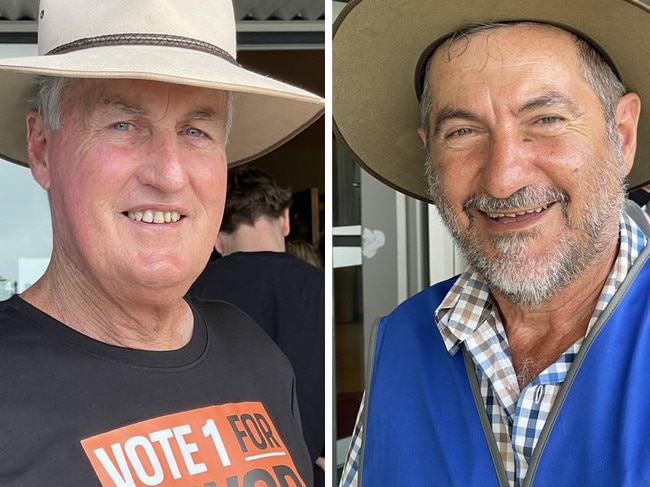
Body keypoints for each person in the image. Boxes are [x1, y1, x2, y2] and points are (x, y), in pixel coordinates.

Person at [0, 0, 323, 485]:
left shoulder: (254, 352)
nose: (169, 175)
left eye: (196, 130)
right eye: (123, 125)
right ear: (43, 148)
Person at [333, 0, 650, 485]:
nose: (502, 179)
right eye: (462, 131)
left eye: (545, 120)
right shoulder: (400, 341)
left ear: (621, 135)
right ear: (430, 153)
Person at [188, 166, 326, 486]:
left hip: (224, 472)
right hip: (307, 469)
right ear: (285, 219)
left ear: (216, 238)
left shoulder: (193, 292)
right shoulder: (323, 287)